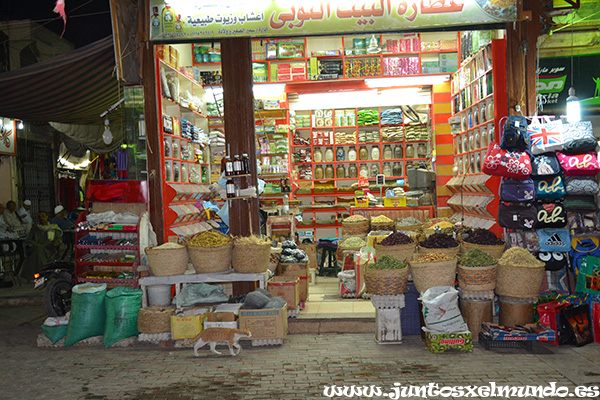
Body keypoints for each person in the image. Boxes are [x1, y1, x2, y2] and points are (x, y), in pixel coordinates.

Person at [20, 211, 62, 281]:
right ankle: (42, 273)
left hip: (49, 249)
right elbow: (29, 240)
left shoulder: (53, 228)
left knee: (38, 251)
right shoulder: (35, 228)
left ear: (47, 217)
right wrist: (35, 244)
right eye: (39, 217)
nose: (41, 218)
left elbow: (59, 239)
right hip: (37, 248)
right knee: (38, 250)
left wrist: (57, 242)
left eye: (43, 216)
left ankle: (40, 274)